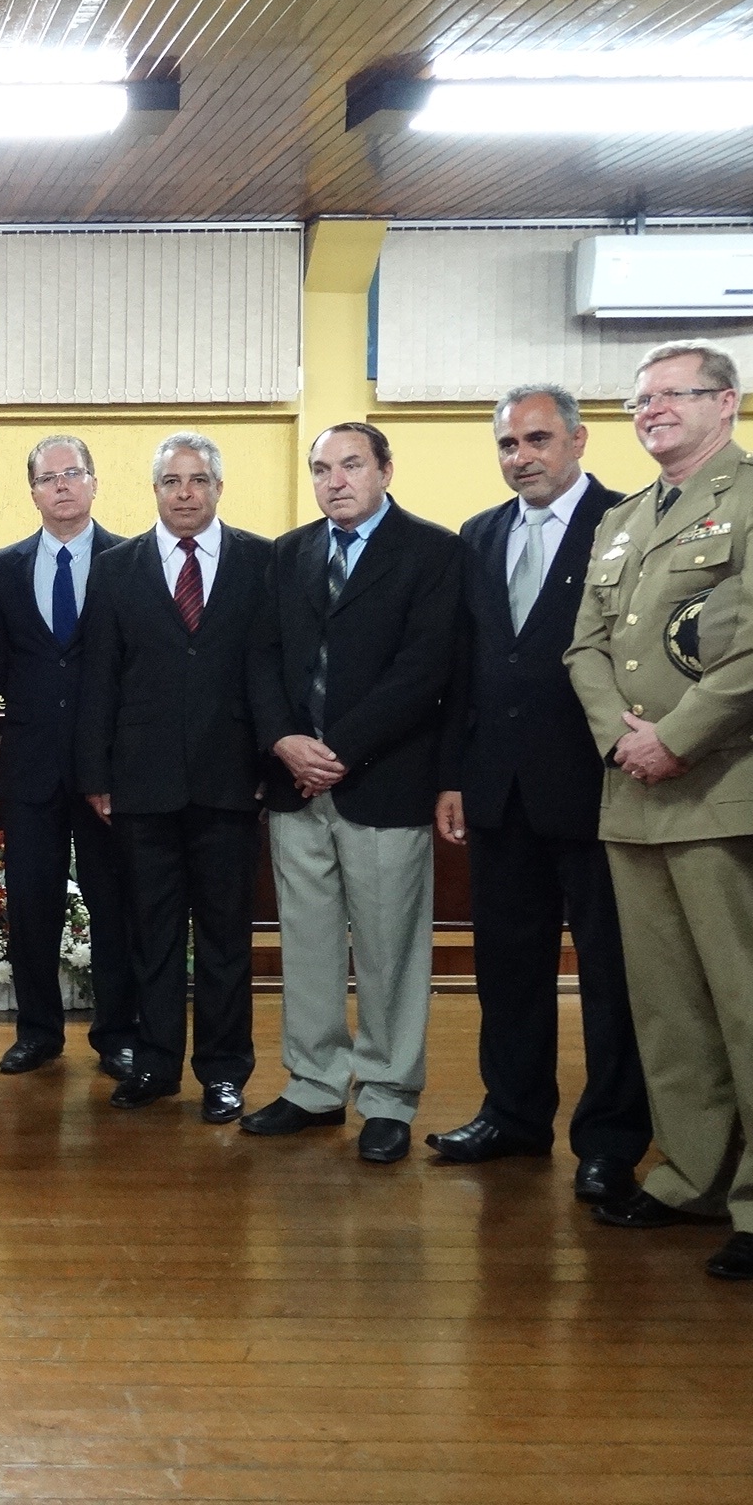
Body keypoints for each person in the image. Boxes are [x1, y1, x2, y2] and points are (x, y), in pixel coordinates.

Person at [565, 339, 753, 1283]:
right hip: (634, 791)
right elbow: (585, 648)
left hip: (724, 784)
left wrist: (676, 734)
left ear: (726, 403)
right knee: (670, 1012)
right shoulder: (627, 518)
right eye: (641, 399)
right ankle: (693, 1174)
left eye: (672, 394)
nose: (651, 411)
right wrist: (621, 738)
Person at [431, 386, 651, 1204]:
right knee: (508, 969)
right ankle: (513, 1114)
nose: (520, 456)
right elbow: (466, 671)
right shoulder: (480, 534)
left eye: (536, 439)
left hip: (600, 786)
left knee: (608, 975)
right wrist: (453, 775)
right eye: (508, 445)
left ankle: (610, 1140)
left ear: (579, 440)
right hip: (497, 791)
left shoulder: (631, 523)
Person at [246, 422, 462, 1164]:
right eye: (321, 469)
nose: (335, 480)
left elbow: (425, 668)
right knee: (304, 946)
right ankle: (312, 1085)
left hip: (383, 782)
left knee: (389, 952)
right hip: (294, 786)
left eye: (351, 465)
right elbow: (262, 659)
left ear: (385, 469)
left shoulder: (433, 552)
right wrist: (285, 742)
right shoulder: (288, 553)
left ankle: (388, 1097)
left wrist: (338, 752)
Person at [74, 432, 269, 1123]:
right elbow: (98, 675)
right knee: (150, 934)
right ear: (154, 490)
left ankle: (223, 1072)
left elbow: (270, 677)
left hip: (230, 785)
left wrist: (268, 767)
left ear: (218, 487)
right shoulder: (116, 566)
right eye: (171, 482)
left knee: (224, 940)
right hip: (141, 787)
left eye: (197, 480)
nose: (184, 493)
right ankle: (155, 1065)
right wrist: (96, 775)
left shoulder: (259, 560)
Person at [0, 434, 132, 1079]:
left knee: (113, 904)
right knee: (32, 904)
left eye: (74, 474)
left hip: (110, 769)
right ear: (34, 491)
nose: (62, 485)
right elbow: (4, 659)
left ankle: (118, 1033)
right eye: (49, 478)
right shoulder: (4, 566)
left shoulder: (132, 560)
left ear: (94, 483)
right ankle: (38, 1031)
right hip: (32, 765)